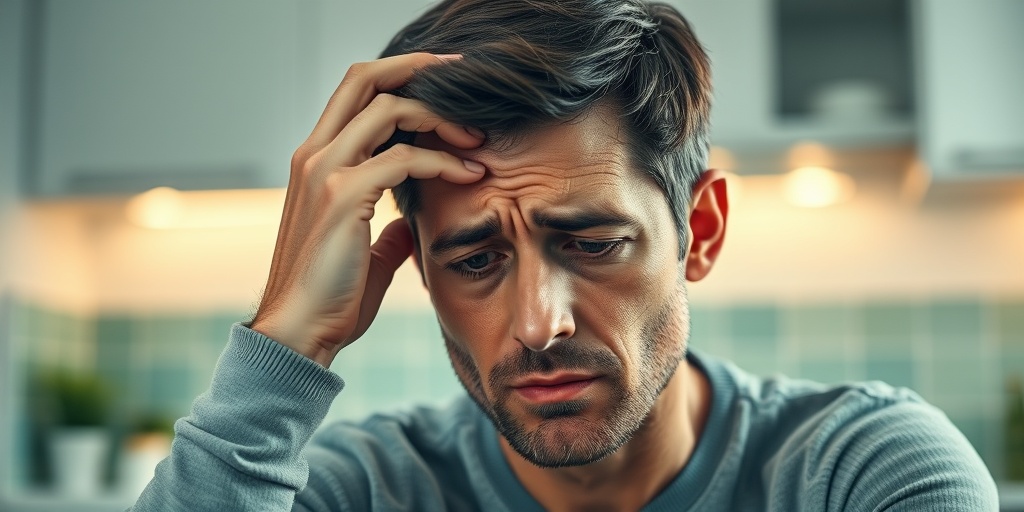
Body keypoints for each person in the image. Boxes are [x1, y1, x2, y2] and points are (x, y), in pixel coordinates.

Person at [131, 0, 998, 510]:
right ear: (421, 271)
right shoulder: (360, 489)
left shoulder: (868, 470)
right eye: (474, 260)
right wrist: (287, 345)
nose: (540, 325)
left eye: (590, 242)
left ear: (702, 230)